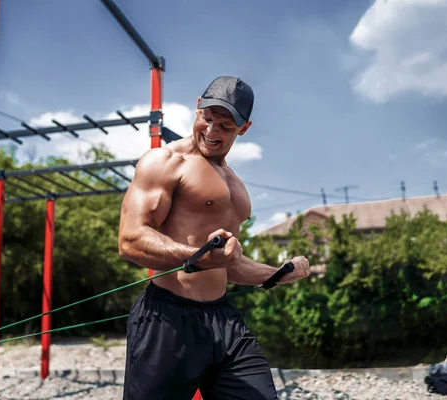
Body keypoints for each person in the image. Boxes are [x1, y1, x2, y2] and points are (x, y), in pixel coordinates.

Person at [118, 76, 311, 399]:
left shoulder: (235, 184)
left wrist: (279, 274)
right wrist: (197, 256)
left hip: (224, 321)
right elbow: (130, 240)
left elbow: (228, 265)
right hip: (167, 320)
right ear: (197, 107)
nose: (211, 131)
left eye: (224, 126)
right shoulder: (165, 162)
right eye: (207, 119)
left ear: (244, 128)